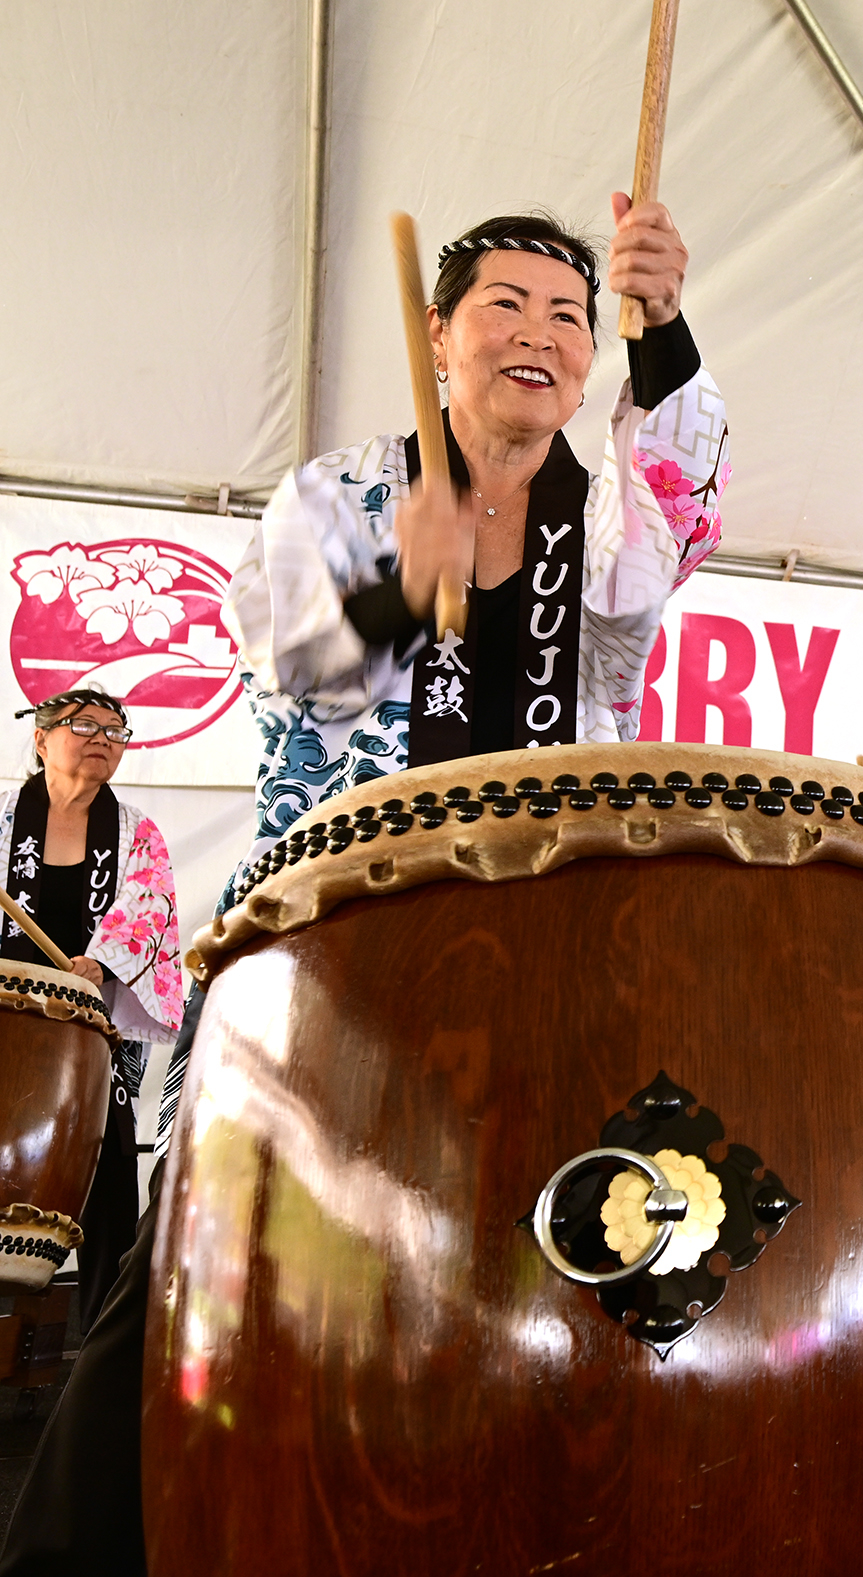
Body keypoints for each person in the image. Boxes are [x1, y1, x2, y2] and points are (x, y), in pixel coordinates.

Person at [0, 194, 725, 1577]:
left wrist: (665, 318)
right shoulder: (340, 492)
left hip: (545, 934)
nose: (544, 333)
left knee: (684, 1216)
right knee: (191, 1277)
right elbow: (304, 674)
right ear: (439, 338)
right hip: (340, 935)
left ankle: (667, 1503)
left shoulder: (604, 517)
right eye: (505, 306)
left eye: (571, 316)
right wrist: (403, 589)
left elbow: (683, 503)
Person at [0, 691, 183, 1320]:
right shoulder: (3, 817)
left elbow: (146, 909)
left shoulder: (136, 831)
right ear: (42, 740)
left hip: (90, 1026)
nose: (103, 737)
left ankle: (99, 1333)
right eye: (84, 725)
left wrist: (98, 964)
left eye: (115, 729)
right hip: (5, 1021)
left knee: (105, 1170)